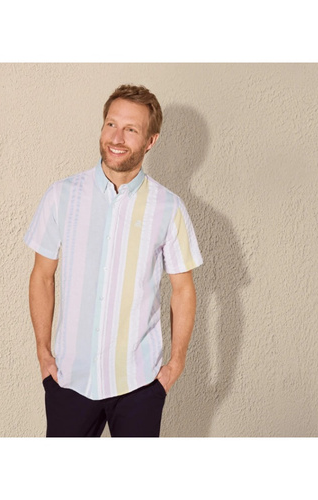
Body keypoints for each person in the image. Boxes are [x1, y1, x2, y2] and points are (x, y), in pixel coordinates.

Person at [24, 84, 203, 437]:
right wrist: (44, 355)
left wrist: (174, 366)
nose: (117, 138)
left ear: (150, 141)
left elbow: (183, 290)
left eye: (131, 129)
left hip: (139, 385)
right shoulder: (62, 196)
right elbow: (42, 276)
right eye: (111, 124)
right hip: (70, 381)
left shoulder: (168, 208)